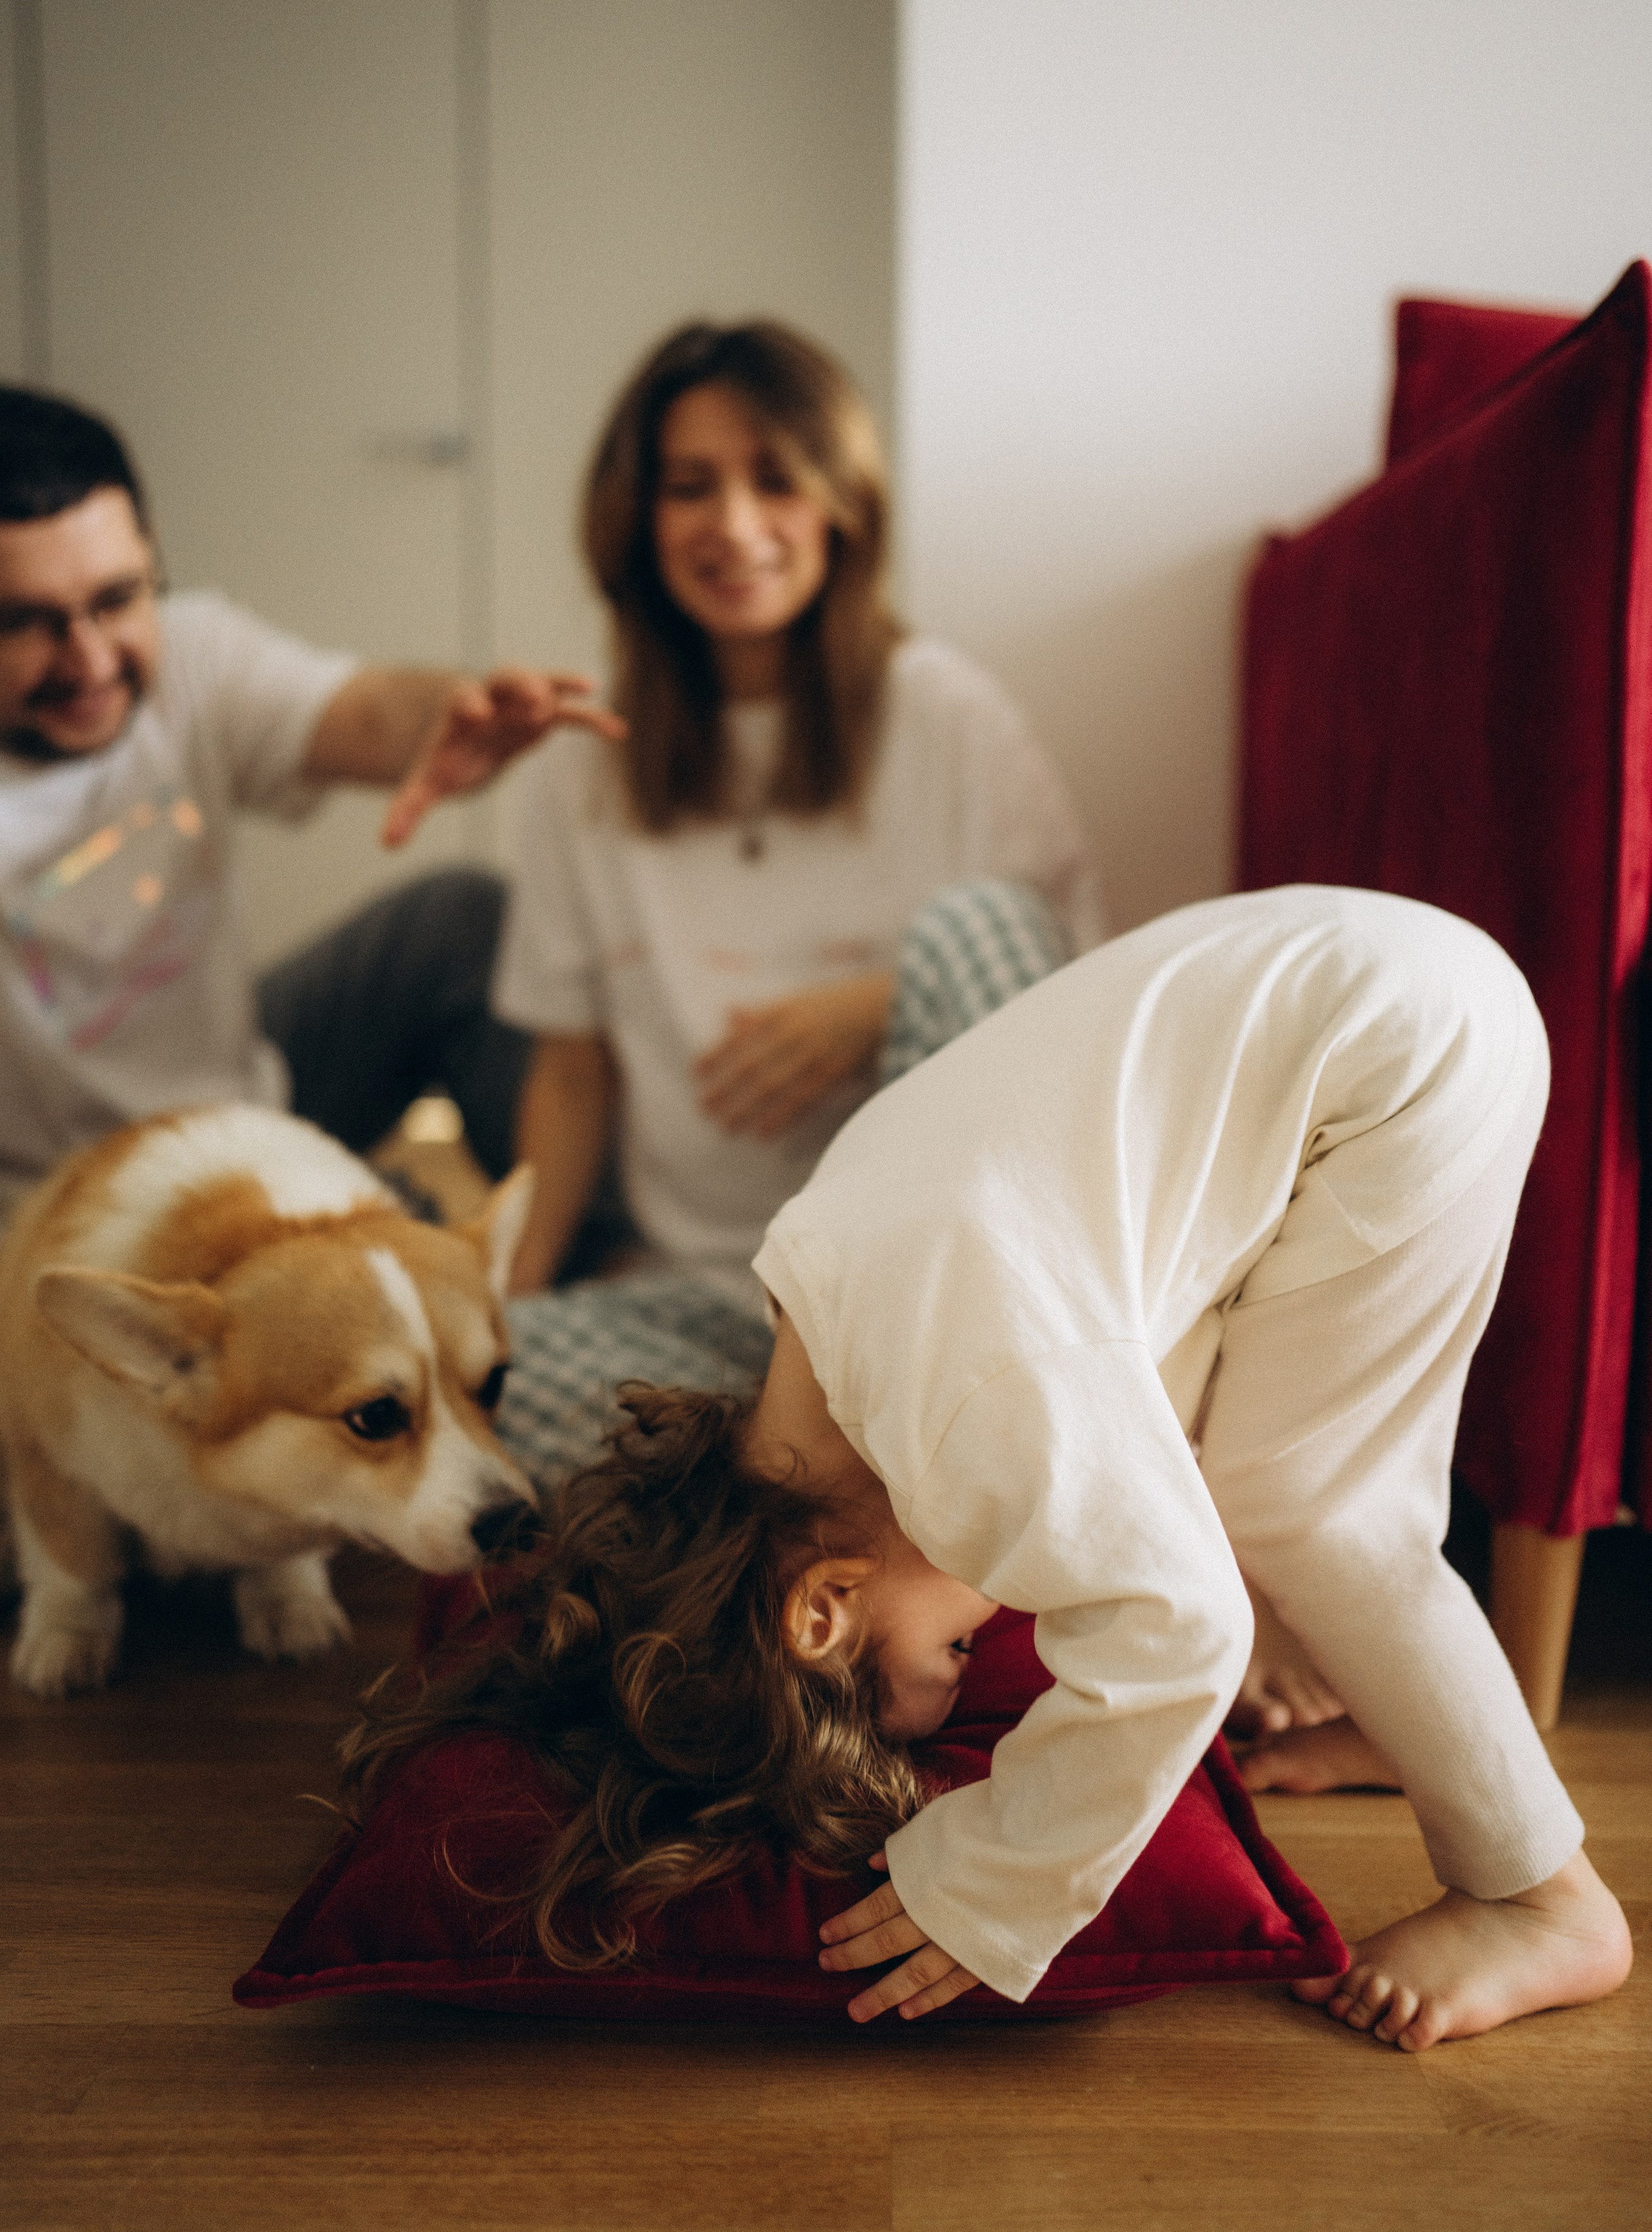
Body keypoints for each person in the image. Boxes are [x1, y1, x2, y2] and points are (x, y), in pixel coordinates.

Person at [343, 885, 1630, 2051]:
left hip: (1398, 1054)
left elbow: (1174, 1635)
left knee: (1323, 1514)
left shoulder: (966, 1408)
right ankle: (1386, 1710)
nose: (996, 1633)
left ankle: (1535, 1898)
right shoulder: (819, 1306)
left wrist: (995, 1885)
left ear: (821, 1608)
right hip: (1339, 985)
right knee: (1230, 1474)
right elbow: (1096, 1378)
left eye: (947, 1661)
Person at [493, 319, 1101, 1476]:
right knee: (487, 1390)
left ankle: (859, 1452)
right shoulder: (584, 769)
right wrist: (492, 1329)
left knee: (982, 928)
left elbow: (1065, 1001)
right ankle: (844, 1471)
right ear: (639, 520)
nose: (733, 525)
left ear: (841, 504)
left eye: (774, 478)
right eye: (690, 487)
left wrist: (876, 1002)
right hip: (715, 1311)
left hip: (932, 1296)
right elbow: (569, 1075)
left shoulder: (944, 714)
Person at [0, 383, 621, 1211]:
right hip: (49, 1206)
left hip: (236, 1115)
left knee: (457, 919)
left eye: (117, 600)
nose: (89, 662)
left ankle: (592, 1259)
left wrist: (456, 709)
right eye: (25, 623)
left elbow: (366, 713)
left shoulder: (193, 654)